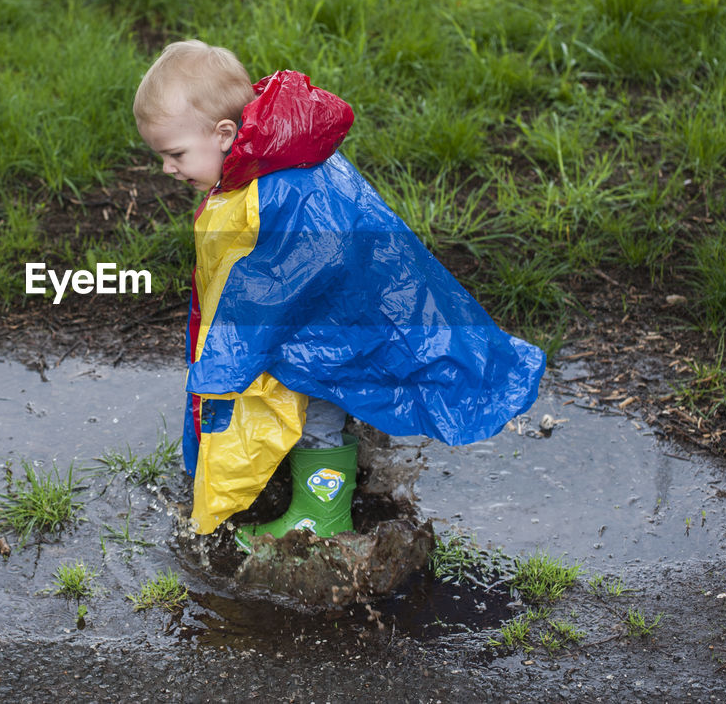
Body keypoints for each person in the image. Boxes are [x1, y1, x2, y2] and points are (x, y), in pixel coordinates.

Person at [133, 40, 546, 550]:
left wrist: (225, 365)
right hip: (344, 308)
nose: (168, 170)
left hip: (337, 324)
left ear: (223, 135)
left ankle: (321, 518)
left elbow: (277, 287)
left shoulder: (279, 191)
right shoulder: (276, 158)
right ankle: (327, 475)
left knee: (317, 390)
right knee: (314, 381)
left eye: (175, 155)